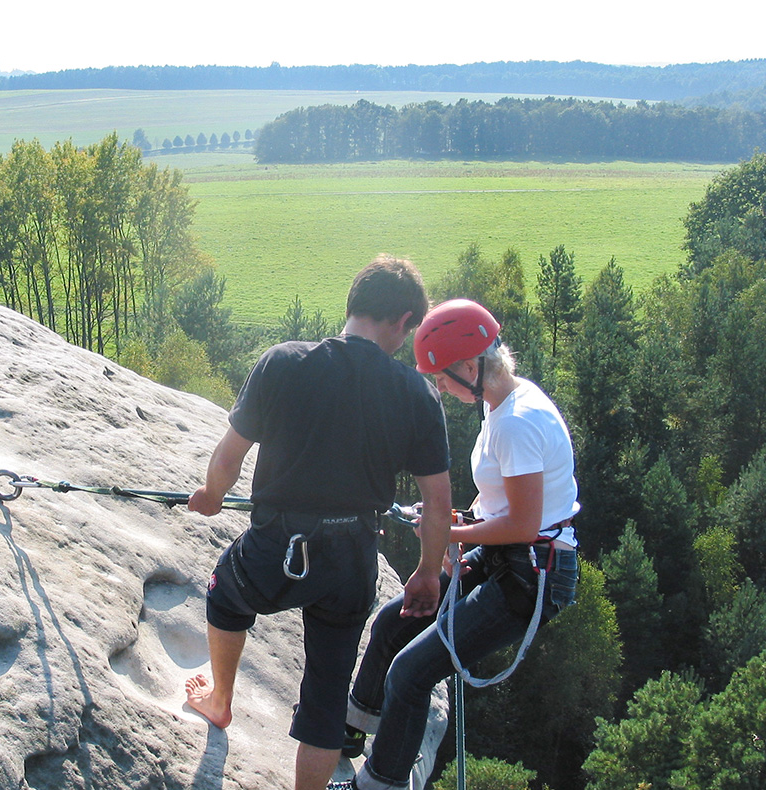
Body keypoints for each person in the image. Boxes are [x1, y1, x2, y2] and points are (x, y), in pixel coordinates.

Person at [183, 255, 453, 790]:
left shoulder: (283, 362)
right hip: (353, 557)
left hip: (277, 544)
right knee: (328, 694)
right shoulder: (416, 394)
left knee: (225, 594)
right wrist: (425, 572)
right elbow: (439, 505)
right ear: (401, 321)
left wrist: (212, 495)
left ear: (353, 304)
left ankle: (219, 701)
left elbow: (229, 455)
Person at [332, 299, 580, 790]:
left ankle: (378, 784)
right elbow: (504, 502)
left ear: (471, 366)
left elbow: (526, 525)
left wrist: (450, 533)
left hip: (529, 577)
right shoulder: (504, 405)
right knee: (393, 620)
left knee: (411, 672)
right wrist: (459, 519)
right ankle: (350, 731)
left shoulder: (517, 422)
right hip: (506, 556)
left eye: (442, 376)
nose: (439, 386)